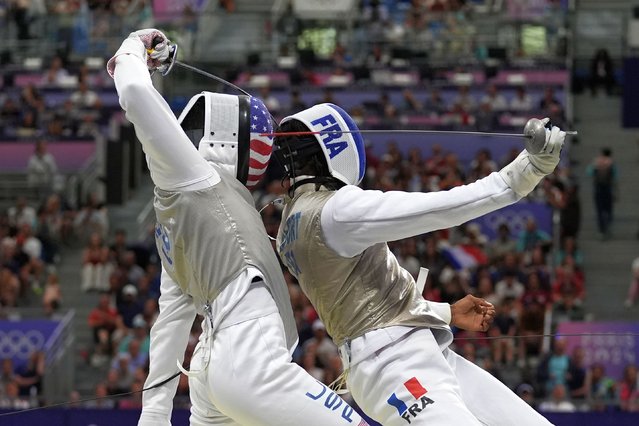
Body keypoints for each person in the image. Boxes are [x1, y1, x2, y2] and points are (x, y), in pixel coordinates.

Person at [107, 29, 366, 426]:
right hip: (249, 354)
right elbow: (137, 94)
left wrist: (155, 414)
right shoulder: (194, 178)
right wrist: (134, 45)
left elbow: (172, 323)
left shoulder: (181, 222)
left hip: (214, 367)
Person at [274, 102, 565, 425]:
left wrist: (446, 313)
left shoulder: (289, 224)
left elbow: (365, 298)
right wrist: (528, 170)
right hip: (394, 365)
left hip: (411, 354)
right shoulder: (336, 211)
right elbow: (441, 208)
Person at [586, 147, 618, 240]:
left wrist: (596, 165)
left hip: (599, 189)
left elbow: (589, 172)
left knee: (600, 210)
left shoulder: (597, 162)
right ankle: (607, 225)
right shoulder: (611, 162)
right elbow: (615, 176)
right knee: (608, 209)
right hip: (608, 188)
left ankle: (602, 228)